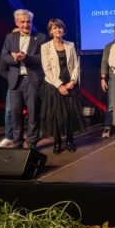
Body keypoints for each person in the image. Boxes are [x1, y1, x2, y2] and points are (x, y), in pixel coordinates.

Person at [0, 9, 46, 149]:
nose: (26, 24)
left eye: (29, 22)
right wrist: (14, 58)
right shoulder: (10, 37)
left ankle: (32, 143)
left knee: (33, 114)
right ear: (16, 22)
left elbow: (42, 59)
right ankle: (18, 143)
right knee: (15, 114)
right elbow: (4, 56)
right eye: (23, 22)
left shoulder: (41, 37)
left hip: (32, 81)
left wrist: (26, 57)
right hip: (15, 81)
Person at [40, 18, 84, 153]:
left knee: (70, 114)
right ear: (50, 31)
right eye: (54, 28)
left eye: (60, 27)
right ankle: (57, 142)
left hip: (70, 82)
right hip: (53, 84)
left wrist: (72, 81)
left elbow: (76, 65)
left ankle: (70, 140)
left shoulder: (70, 45)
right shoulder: (45, 47)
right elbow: (46, 69)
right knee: (56, 115)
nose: (58, 30)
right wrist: (59, 86)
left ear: (64, 30)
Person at [99, 24, 115, 138]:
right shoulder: (109, 46)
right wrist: (103, 79)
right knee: (111, 104)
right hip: (112, 78)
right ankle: (107, 127)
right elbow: (104, 62)